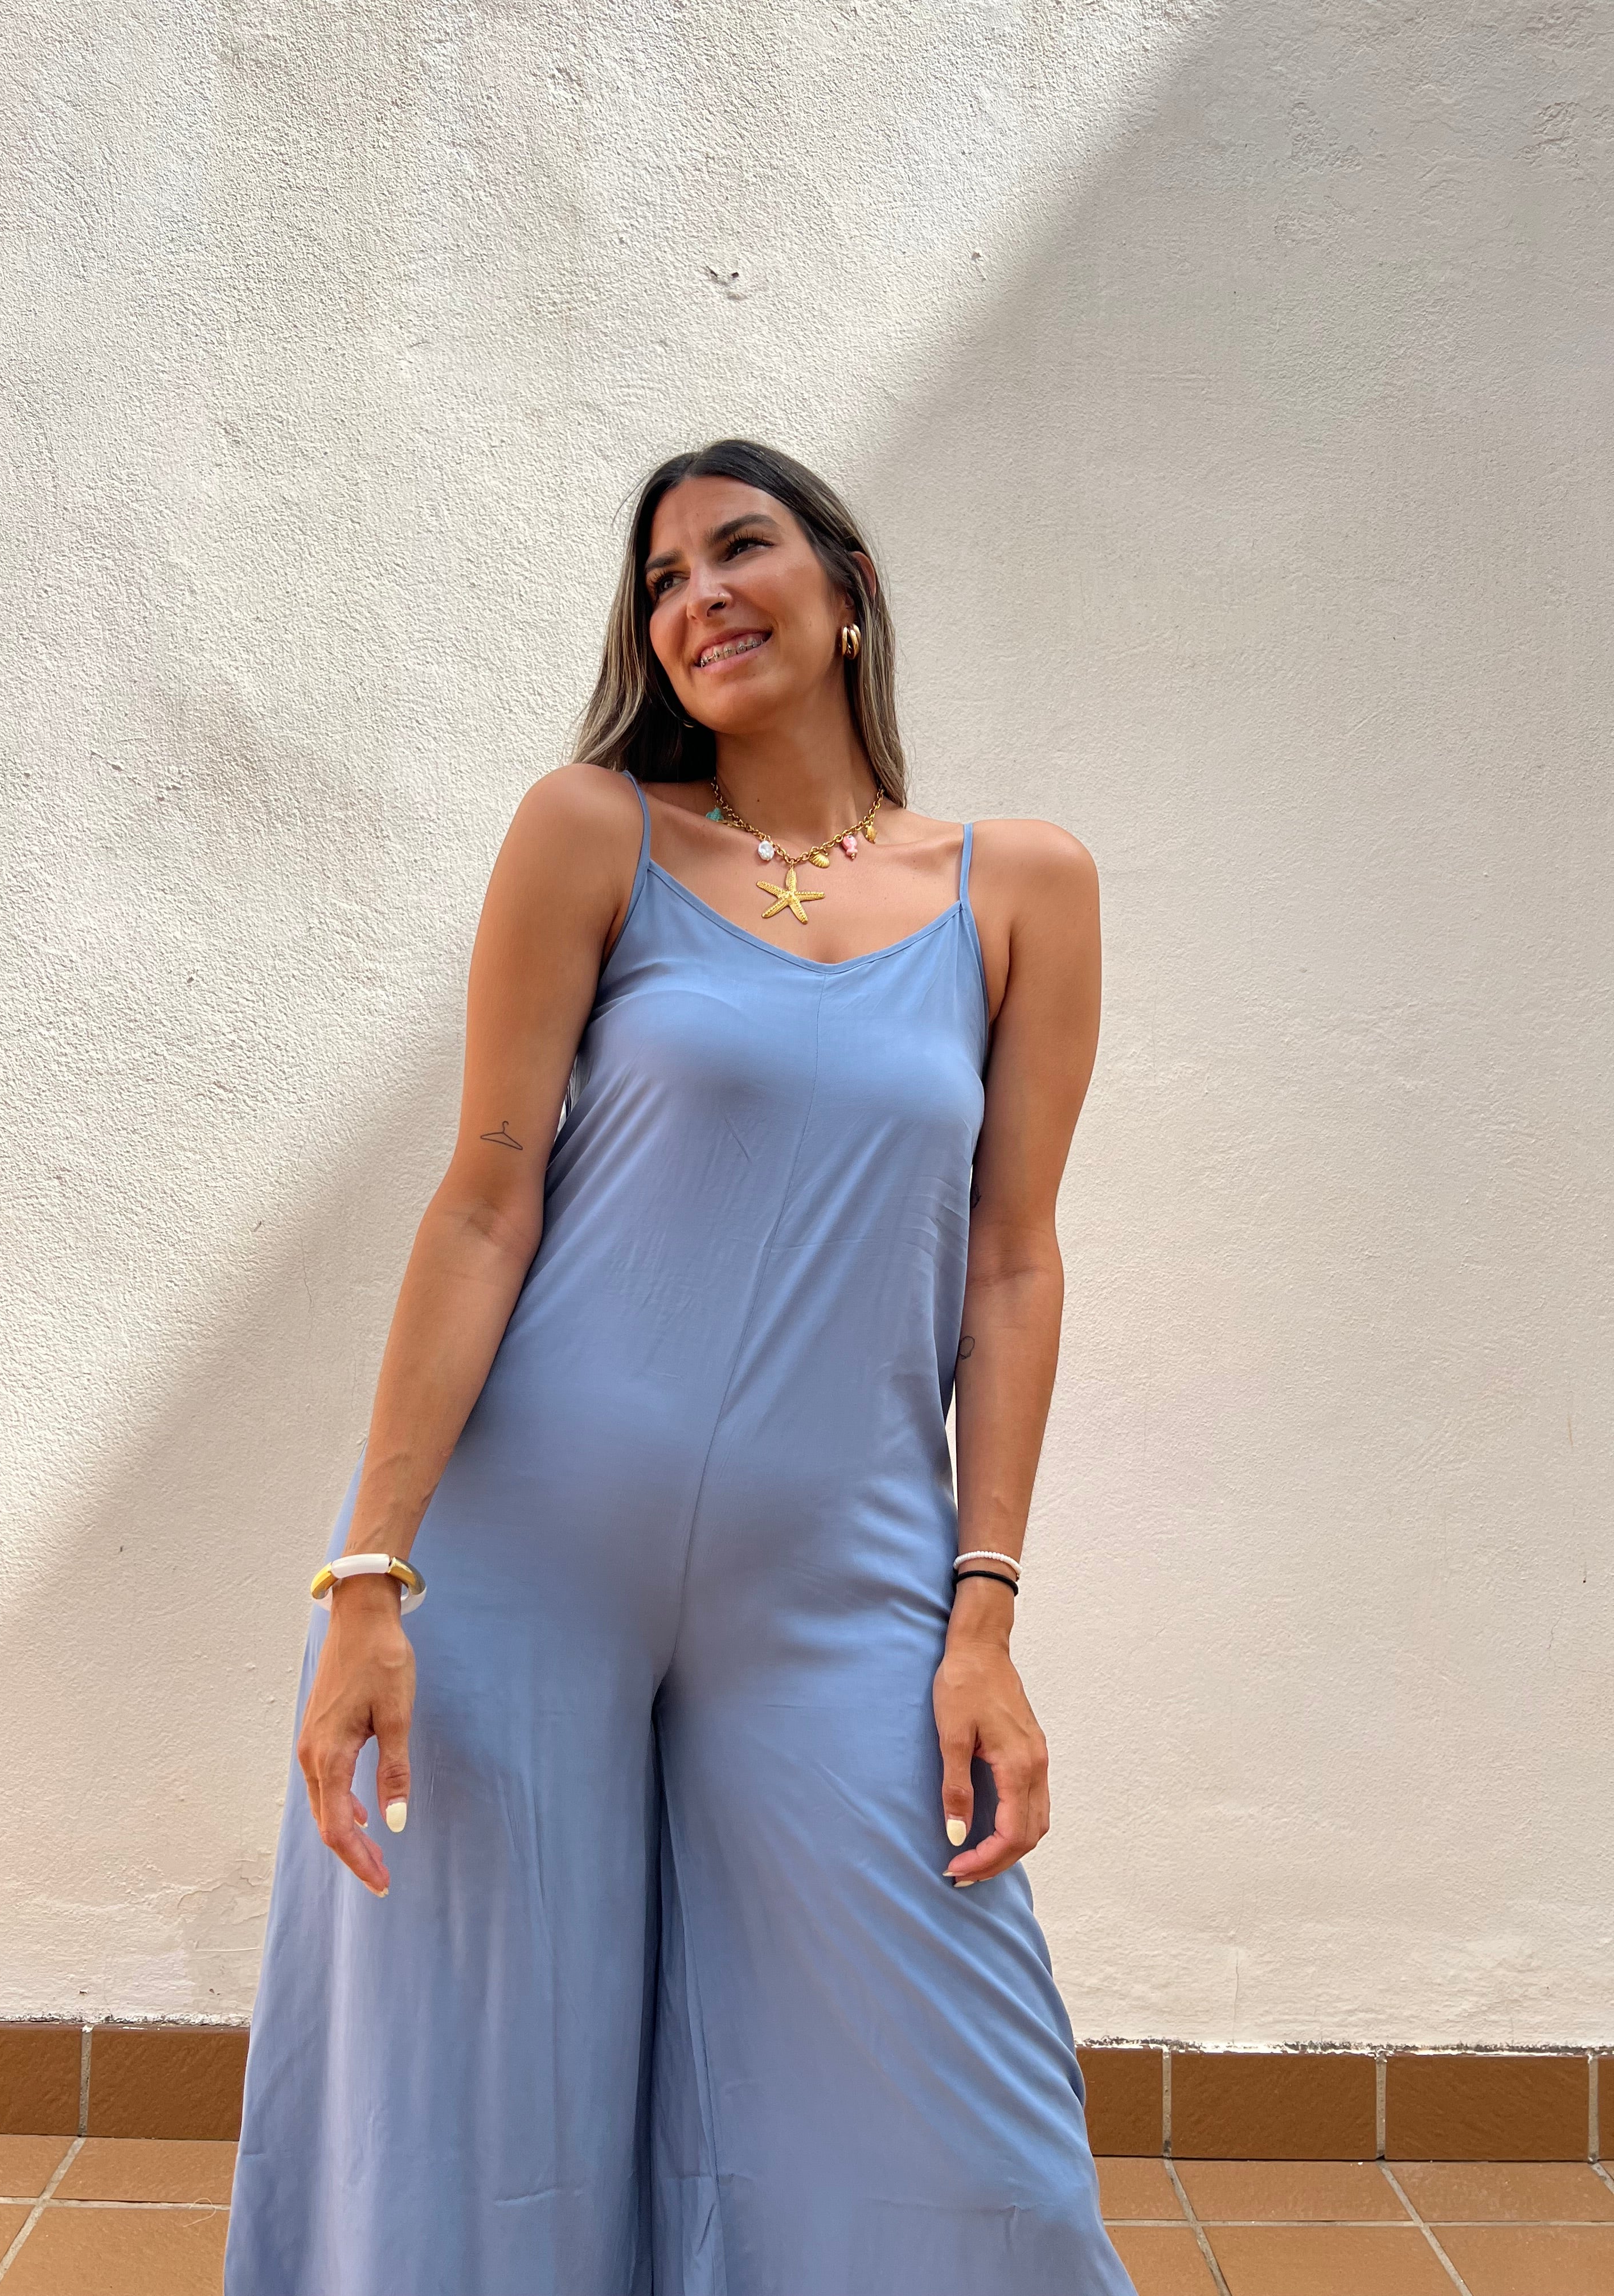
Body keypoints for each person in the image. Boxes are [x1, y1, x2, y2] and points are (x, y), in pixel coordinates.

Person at [223, 437, 1134, 2295]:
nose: (700, 596)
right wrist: (370, 1575)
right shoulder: (597, 835)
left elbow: (1014, 1262)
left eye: (741, 548)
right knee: (474, 2103)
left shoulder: (1022, 888)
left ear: (846, 586)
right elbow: (486, 1201)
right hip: (523, 1548)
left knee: (975, 2124)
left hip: (841, 1570)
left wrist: (983, 1615)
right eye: (662, 579)